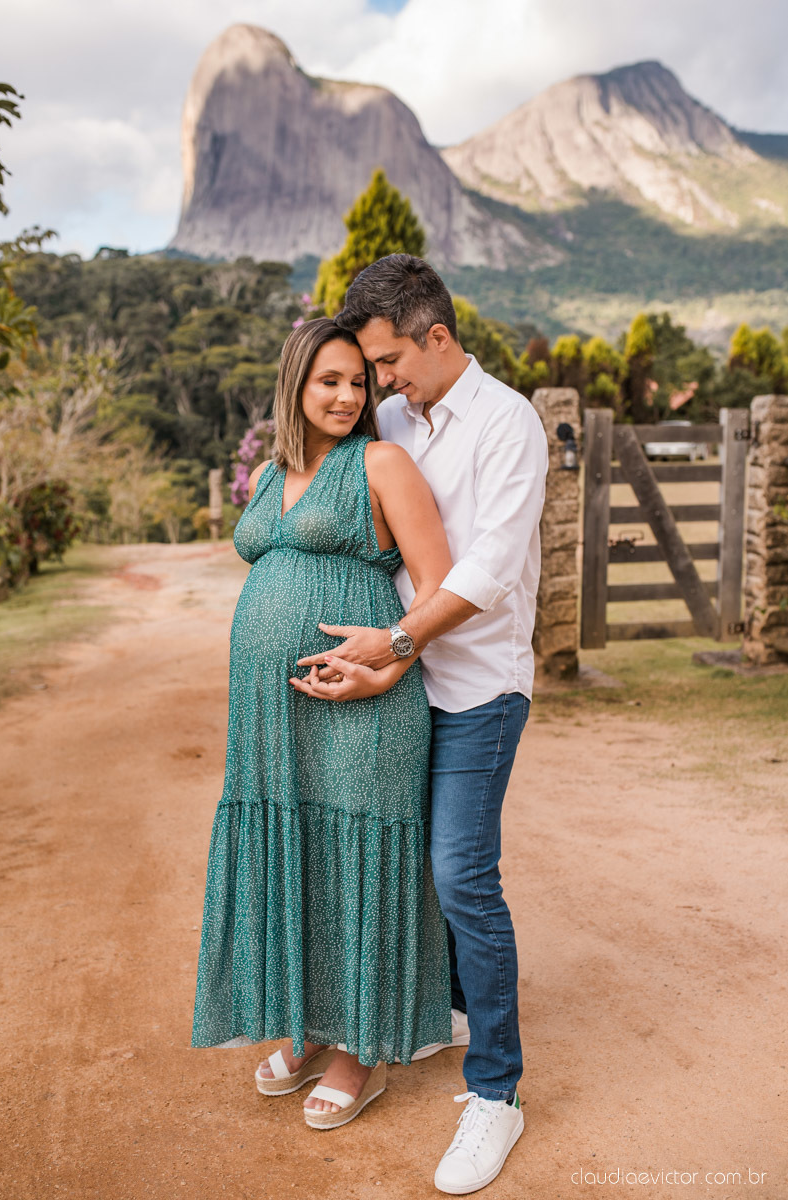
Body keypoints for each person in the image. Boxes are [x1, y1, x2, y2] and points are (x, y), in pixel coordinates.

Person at [291, 255, 548, 1192]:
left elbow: (485, 572)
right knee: (400, 862)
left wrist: (390, 645)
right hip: (393, 687)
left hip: (475, 687)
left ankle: (497, 1094)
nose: (380, 381)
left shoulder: (507, 422)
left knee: (458, 874)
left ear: (437, 336)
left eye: (390, 359)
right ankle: (430, 1012)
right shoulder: (394, 418)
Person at [191, 317, 456, 1130]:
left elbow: (440, 586)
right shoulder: (274, 475)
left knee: (354, 855)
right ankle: (311, 1027)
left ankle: (361, 1054)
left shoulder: (381, 462)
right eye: (328, 382)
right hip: (274, 725)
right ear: (295, 389)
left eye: (357, 382)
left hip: (364, 709)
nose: (346, 396)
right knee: (302, 856)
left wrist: (387, 670)